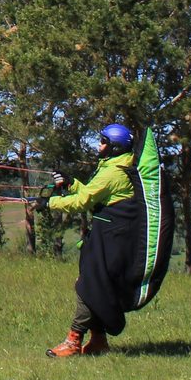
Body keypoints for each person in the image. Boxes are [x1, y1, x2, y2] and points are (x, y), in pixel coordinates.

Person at [38, 122, 135, 357]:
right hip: (110, 238)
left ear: (114, 148)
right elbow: (89, 194)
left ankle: (74, 340)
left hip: (111, 241)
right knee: (97, 286)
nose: (98, 145)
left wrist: (49, 203)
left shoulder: (113, 172)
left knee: (89, 286)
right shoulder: (116, 166)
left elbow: (83, 202)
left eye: (103, 142)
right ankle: (99, 340)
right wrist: (71, 184)